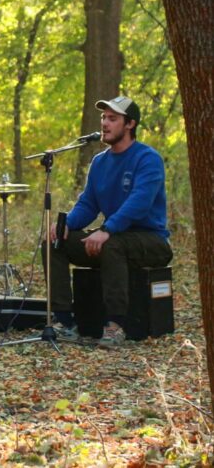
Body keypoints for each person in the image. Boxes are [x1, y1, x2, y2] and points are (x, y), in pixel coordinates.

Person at [48, 96, 172, 348]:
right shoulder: (100, 162)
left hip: (151, 240)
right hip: (114, 235)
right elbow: (88, 204)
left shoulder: (148, 158)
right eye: (104, 117)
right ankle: (63, 321)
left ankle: (115, 326)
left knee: (112, 245)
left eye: (112, 118)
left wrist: (106, 230)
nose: (105, 123)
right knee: (54, 243)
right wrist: (68, 224)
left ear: (130, 124)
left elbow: (139, 203)